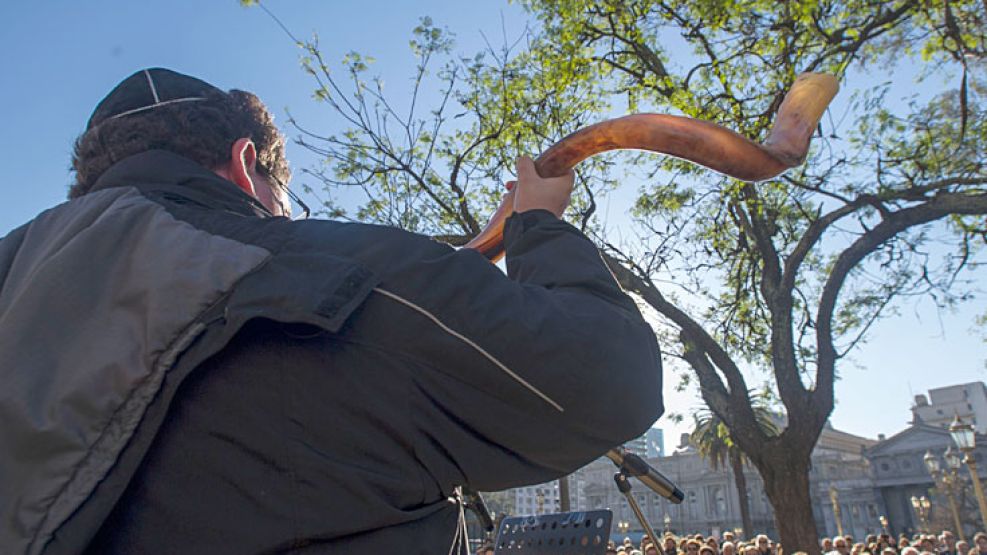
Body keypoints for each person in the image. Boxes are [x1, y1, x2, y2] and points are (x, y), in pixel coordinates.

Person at [0, 68, 664, 553]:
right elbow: (604, 379)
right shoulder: (311, 266)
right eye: (284, 198)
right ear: (244, 163)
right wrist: (538, 226)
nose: (285, 218)